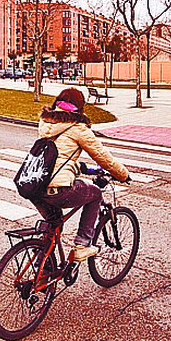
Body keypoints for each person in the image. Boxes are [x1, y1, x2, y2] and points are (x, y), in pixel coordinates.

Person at [33, 87, 130, 261]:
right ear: (79, 106)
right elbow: (102, 156)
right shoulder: (78, 127)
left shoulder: (47, 122)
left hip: (34, 187)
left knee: (53, 225)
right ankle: (82, 245)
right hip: (57, 189)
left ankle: (41, 271)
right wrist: (123, 174)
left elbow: (57, 157)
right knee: (95, 194)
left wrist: (83, 168)